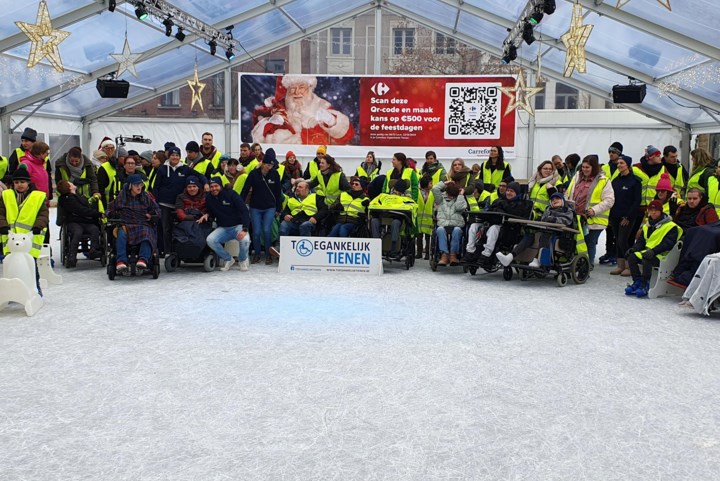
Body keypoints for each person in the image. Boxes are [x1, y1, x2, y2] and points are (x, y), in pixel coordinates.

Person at [251, 74, 354, 145]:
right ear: (287, 89)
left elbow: (346, 137)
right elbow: (258, 138)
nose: (297, 92)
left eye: (301, 87)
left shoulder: (322, 106)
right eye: (292, 88)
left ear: (309, 87)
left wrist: (332, 121)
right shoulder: (277, 108)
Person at [0, 165, 49, 295]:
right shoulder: (6, 196)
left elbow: (43, 214)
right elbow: (1, 213)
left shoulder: (37, 197)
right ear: (13, 184)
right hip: (10, 239)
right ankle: (10, 291)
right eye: (16, 182)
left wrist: (38, 226)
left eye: (22, 182)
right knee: (10, 267)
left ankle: (35, 288)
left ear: (28, 182)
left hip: (30, 239)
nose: (19, 185)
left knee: (30, 265)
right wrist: (2, 225)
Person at [497, 192, 574, 268]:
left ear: (563, 200)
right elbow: (543, 218)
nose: (554, 200)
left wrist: (553, 219)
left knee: (545, 236)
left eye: (557, 198)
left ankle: (537, 260)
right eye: (553, 199)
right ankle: (510, 257)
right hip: (544, 229)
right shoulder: (548, 209)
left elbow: (567, 221)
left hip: (557, 233)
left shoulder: (567, 211)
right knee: (528, 235)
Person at [463, 181, 532, 264]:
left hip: (507, 228)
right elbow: (490, 211)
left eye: (512, 191)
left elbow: (516, 215)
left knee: (493, 228)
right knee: (474, 226)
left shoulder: (522, 204)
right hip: (491, 222)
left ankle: (486, 254)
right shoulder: (498, 201)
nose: (509, 193)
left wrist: (502, 210)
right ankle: (470, 251)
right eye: (508, 190)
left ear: (516, 193)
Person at [624, 200, 681, 297]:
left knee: (647, 258)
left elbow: (668, 244)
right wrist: (634, 249)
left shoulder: (671, 226)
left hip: (663, 255)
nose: (653, 212)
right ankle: (637, 281)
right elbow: (642, 241)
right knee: (632, 256)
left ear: (661, 211)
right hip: (649, 252)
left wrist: (653, 251)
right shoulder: (648, 225)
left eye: (656, 210)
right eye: (651, 210)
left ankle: (645, 284)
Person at [567, 154, 615, 268]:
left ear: (594, 167)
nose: (584, 169)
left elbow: (609, 200)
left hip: (593, 218)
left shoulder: (603, 181)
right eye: (583, 167)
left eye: (587, 167)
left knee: (589, 243)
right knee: (576, 242)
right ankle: (577, 263)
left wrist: (594, 210)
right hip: (576, 216)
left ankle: (588, 265)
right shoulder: (577, 177)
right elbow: (569, 193)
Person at [153, 146, 202, 256]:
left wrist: (207, 184)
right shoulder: (162, 169)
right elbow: (156, 187)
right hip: (164, 203)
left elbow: (199, 176)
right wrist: (156, 202)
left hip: (179, 204)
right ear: (169, 156)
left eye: (177, 155)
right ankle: (167, 251)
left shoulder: (185, 168)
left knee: (179, 228)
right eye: (172, 155)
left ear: (180, 157)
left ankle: (179, 250)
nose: (175, 157)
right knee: (166, 228)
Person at [107, 174, 160, 273]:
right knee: (121, 233)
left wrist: (151, 215)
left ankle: (143, 259)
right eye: (136, 185)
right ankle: (121, 261)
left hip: (143, 223)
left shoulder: (146, 196)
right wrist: (112, 214)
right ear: (130, 185)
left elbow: (157, 209)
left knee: (146, 233)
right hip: (126, 223)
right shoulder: (122, 197)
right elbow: (109, 208)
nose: (139, 187)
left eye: (140, 184)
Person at [240, 148, 283, 264]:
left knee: (267, 230)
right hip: (255, 207)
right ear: (263, 163)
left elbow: (278, 193)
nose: (269, 167)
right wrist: (240, 204)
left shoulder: (275, 174)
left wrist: (278, 209)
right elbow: (245, 190)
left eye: (271, 165)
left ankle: (269, 255)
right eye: (268, 165)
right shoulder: (254, 174)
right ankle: (257, 254)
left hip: (270, 207)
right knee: (257, 232)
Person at [204, 176, 251, 272]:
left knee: (245, 240)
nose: (214, 189)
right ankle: (228, 259)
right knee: (210, 240)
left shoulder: (231, 194)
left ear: (220, 186)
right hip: (223, 228)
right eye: (211, 186)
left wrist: (244, 229)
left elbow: (244, 211)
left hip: (238, 226)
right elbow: (211, 212)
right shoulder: (209, 198)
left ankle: (242, 260)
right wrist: (207, 215)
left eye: (216, 186)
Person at [56, 180, 102, 267]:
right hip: (73, 222)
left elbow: (86, 206)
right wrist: (98, 214)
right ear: (69, 187)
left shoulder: (77, 196)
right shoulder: (66, 199)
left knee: (94, 229)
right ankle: (72, 255)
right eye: (70, 183)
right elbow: (81, 210)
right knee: (78, 232)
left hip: (84, 221)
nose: (73, 184)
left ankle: (93, 250)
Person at [608, 156, 642, 276]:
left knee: (624, 240)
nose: (619, 165)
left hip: (628, 216)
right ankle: (620, 265)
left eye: (621, 163)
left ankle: (630, 265)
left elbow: (637, 201)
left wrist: (628, 216)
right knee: (617, 240)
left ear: (628, 165)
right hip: (615, 215)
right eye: (618, 163)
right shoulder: (615, 181)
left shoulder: (635, 181)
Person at [273, 180, 329, 253]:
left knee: (305, 225)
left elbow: (324, 210)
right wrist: (285, 215)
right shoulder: (292, 198)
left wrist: (315, 217)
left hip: (309, 222)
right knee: (284, 225)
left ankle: (305, 252)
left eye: (300, 187)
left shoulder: (316, 197)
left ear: (307, 190)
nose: (297, 188)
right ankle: (279, 248)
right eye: (297, 187)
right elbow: (285, 211)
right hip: (295, 221)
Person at [369, 179, 417, 259]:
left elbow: (412, 207)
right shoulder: (383, 196)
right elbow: (373, 203)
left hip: (397, 219)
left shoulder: (406, 199)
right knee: (374, 221)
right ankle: (375, 246)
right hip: (383, 217)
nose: (397, 192)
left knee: (395, 223)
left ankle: (394, 249)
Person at [431, 181, 467, 266]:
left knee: (457, 230)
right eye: (449, 195)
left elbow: (459, 207)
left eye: (453, 196)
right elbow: (435, 188)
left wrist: (461, 195)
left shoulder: (460, 199)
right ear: (446, 193)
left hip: (456, 225)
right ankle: (444, 254)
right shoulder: (440, 199)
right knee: (439, 229)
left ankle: (453, 255)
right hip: (443, 224)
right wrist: (446, 183)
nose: (451, 197)